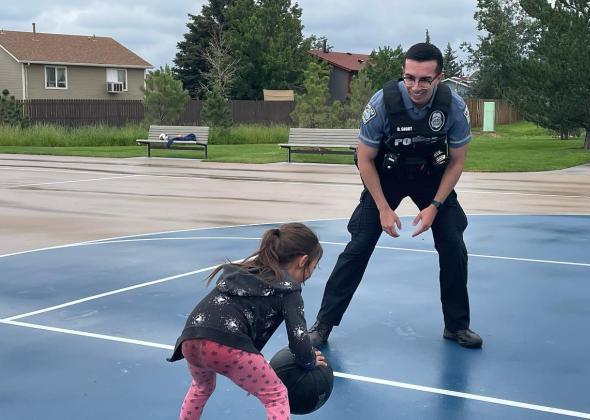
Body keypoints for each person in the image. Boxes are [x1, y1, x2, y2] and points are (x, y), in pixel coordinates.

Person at [308, 42, 482, 349]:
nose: (415, 86)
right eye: (409, 77)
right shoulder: (382, 103)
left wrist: (435, 206)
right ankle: (322, 326)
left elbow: (457, 162)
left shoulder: (453, 106)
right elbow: (364, 159)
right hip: (386, 176)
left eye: (424, 79)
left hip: (430, 176)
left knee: (454, 242)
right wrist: (383, 208)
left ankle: (456, 326)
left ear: (439, 77)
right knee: (358, 245)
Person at [168, 223, 327, 420]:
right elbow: (298, 339)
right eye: (313, 267)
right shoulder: (289, 289)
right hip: (227, 345)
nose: (309, 275)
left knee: (201, 387)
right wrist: (310, 360)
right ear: (303, 261)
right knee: (276, 395)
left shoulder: (243, 271)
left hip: (190, 338)